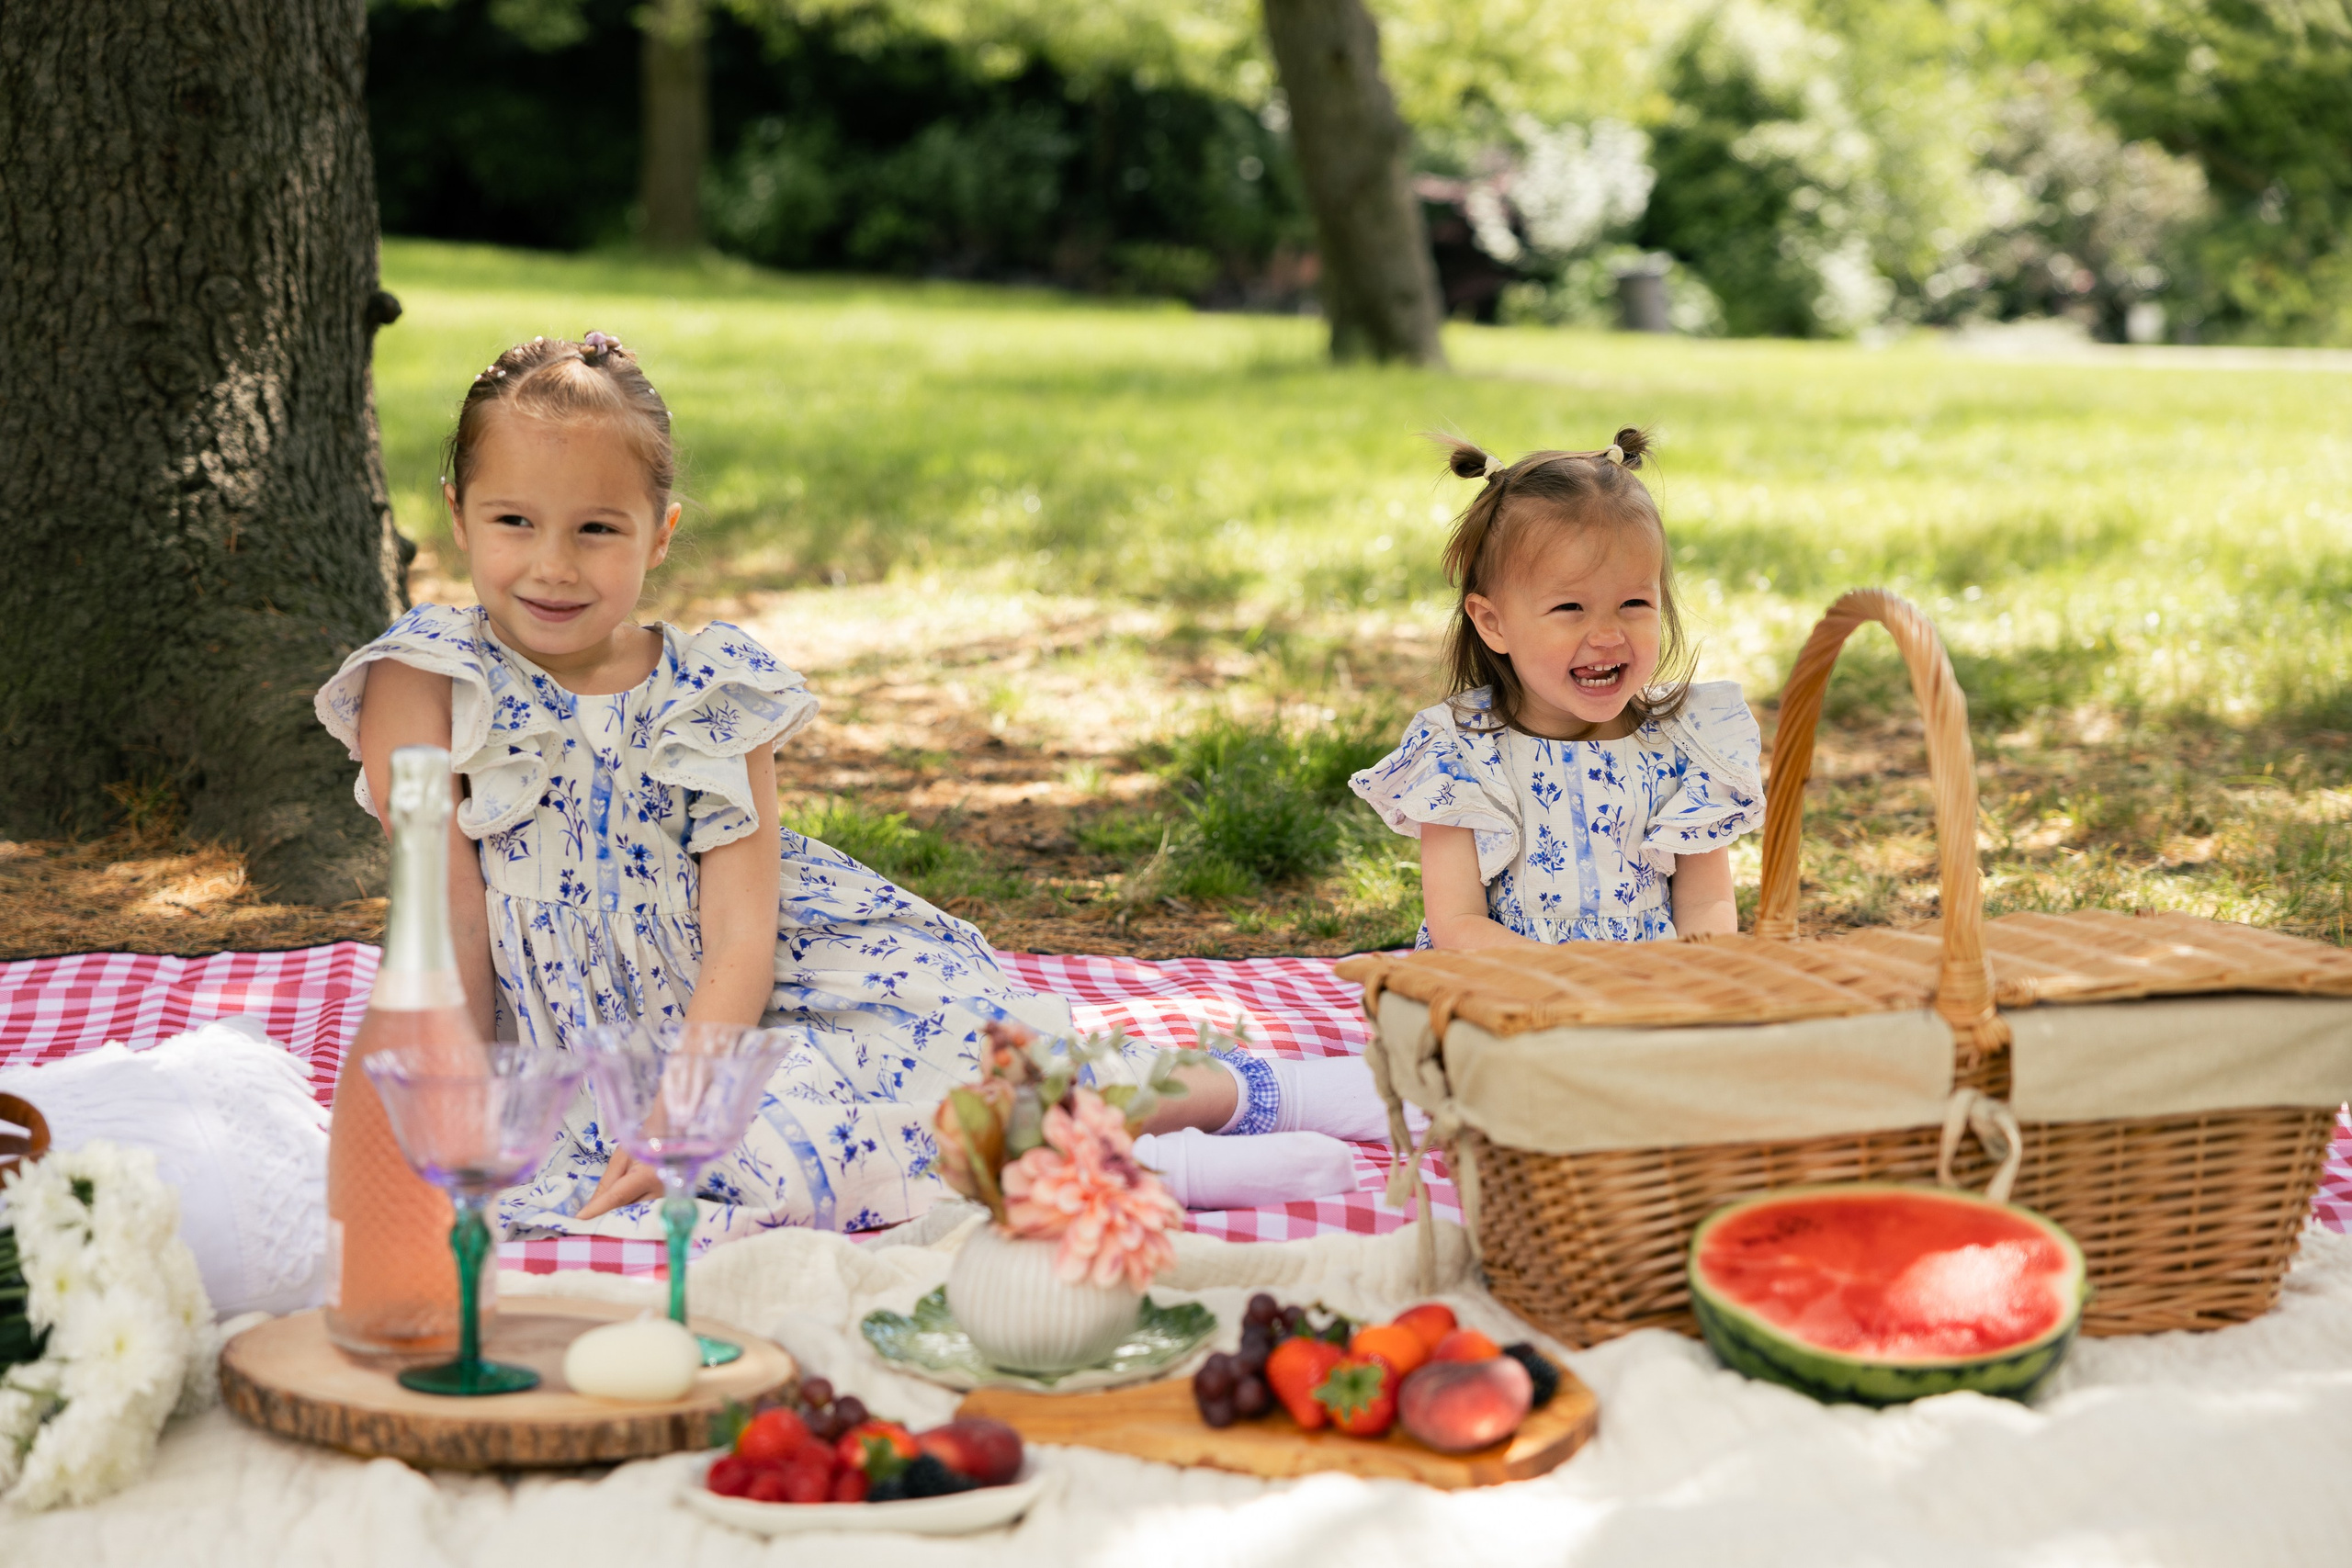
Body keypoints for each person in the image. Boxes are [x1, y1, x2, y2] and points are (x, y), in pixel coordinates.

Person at [317, 333, 1374, 1242]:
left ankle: (1256, 1091)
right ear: (458, 517)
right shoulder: (421, 685)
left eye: (597, 529)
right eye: (514, 523)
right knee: (752, 1168)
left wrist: (691, 1095)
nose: (552, 564)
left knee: (987, 1052)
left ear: (661, 535)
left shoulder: (707, 688)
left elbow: (740, 932)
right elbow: (444, 925)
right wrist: (451, 1110)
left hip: (765, 982)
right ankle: (1140, 1174)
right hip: (573, 1046)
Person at [1350, 429, 1765, 950]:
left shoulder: (1687, 744)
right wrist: (1566, 983)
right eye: (1570, 608)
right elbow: (1457, 925)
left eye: (1634, 604)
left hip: (1648, 993)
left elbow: (1705, 906)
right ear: (1493, 622)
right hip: (1509, 990)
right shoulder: (1460, 753)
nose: (1608, 635)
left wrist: (1686, 981)